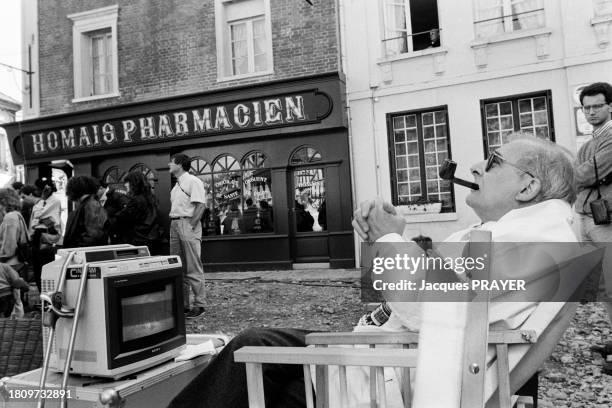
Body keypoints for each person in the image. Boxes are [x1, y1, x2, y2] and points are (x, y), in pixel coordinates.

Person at [167, 135, 578, 408]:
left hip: (389, 381)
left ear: (527, 188)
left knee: (253, 348)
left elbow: (442, 306)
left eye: (492, 161)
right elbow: (415, 288)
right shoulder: (522, 234)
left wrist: (390, 241)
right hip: (384, 363)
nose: (475, 166)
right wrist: (390, 234)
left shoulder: (540, 239)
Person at [573, 82, 612, 374]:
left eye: (597, 106)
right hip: (588, 215)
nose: (591, 112)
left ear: (610, 106)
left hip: (605, 218)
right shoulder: (590, 141)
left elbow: (586, 173)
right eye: (586, 107)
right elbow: (581, 172)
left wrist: (582, 171)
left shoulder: (610, 136)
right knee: (604, 287)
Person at [168, 153, 206, 319]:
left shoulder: (193, 181)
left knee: (192, 266)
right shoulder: (177, 185)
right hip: (175, 224)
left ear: (180, 164)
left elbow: (201, 205)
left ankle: (200, 304)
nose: (169, 164)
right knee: (178, 267)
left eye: (172, 162)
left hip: (186, 222)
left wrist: (190, 226)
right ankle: (183, 305)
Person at [114, 171, 161, 255]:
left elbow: (123, 218)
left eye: (127, 182)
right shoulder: (152, 198)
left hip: (137, 241)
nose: (125, 185)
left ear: (134, 183)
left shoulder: (137, 200)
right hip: (151, 238)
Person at [0, 188, 30, 318]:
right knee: (16, 300)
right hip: (17, 261)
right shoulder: (17, 215)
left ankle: (13, 327)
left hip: (11, 263)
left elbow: (9, 245)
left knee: (14, 301)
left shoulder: (9, 217)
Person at [29, 177, 62, 293]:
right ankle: (42, 297)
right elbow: (34, 221)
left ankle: (48, 298)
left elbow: (39, 215)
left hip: (47, 236)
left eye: (39, 189)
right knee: (37, 269)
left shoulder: (54, 201)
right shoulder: (40, 202)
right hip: (38, 236)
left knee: (46, 269)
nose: (37, 191)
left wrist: (40, 219)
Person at [63, 176, 109, 248]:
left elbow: (93, 235)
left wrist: (78, 249)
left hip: (85, 254)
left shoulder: (91, 205)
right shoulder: (89, 203)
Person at [96, 179, 130, 244]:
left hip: (121, 237)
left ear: (101, 188)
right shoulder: (97, 199)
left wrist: (110, 222)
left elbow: (127, 213)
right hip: (109, 236)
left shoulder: (117, 195)